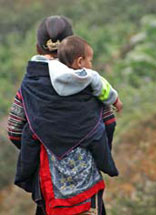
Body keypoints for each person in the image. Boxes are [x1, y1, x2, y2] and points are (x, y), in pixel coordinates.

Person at [7, 15, 118, 215]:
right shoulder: (89, 81)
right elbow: (108, 121)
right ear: (74, 48)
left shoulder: (29, 85)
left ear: (37, 48)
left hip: (47, 182)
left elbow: (14, 130)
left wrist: (44, 144)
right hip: (87, 181)